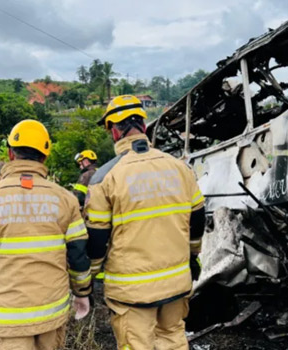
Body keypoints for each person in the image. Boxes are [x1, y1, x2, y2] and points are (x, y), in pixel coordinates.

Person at [0, 120, 92, 350]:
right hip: (53, 313)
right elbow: (78, 256)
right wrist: (82, 294)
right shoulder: (66, 200)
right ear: (45, 157)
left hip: (7, 318)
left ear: (10, 153)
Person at [85, 95, 206, 349]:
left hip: (132, 291)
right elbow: (197, 220)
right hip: (176, 281)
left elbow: (97, 239)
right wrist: (192, 256)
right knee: (173, 338)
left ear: (114, 131)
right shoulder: (179, 168)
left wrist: (89, 277)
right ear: (143, 125)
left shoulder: (105, 177)